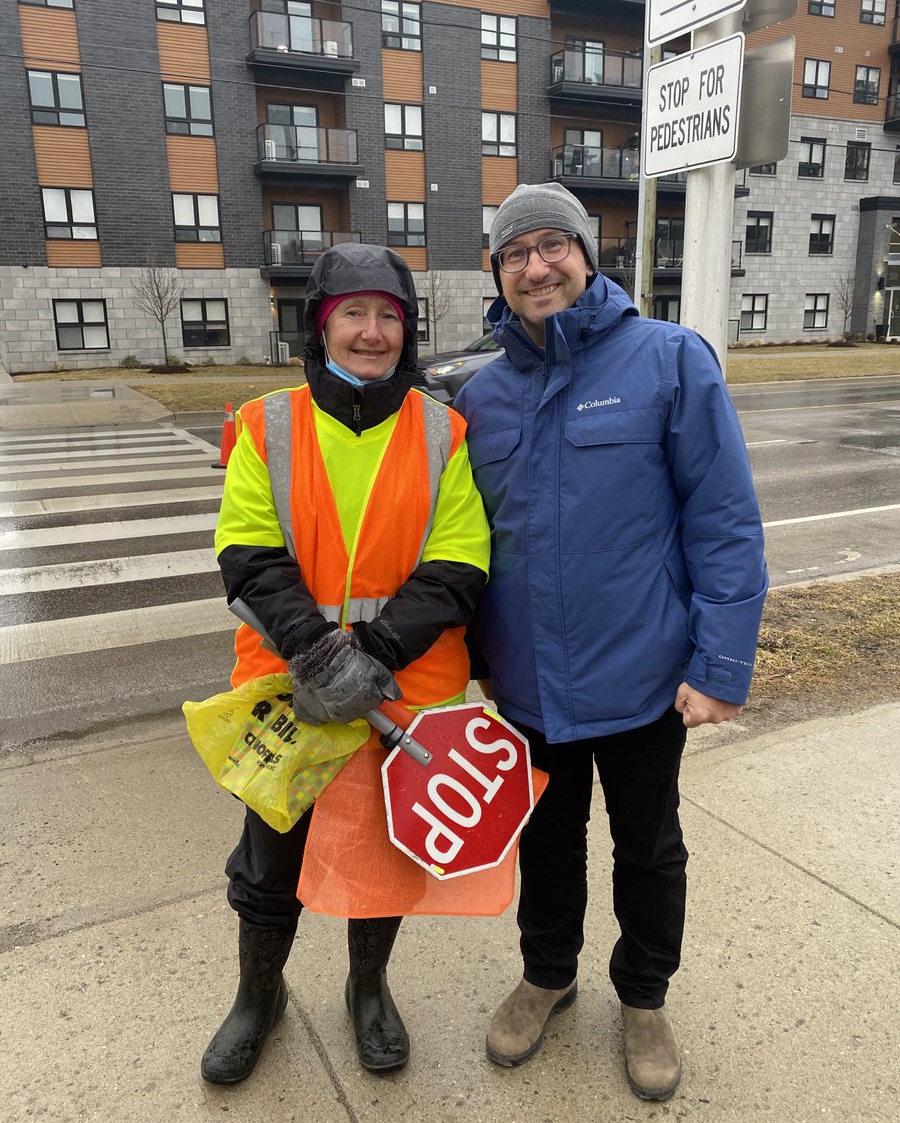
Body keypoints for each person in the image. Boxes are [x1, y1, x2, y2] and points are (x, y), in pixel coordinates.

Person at [454, 182, 767, 1102]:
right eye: (514, 253)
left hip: (643, 677)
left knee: (648, 846)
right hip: (527, 686)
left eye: (552, 245)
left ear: (588, 257)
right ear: (499, 276)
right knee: (546, 842)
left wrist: (718, 669)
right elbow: (464, 544)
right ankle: (548, 975)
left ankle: (643, 996)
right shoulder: (482, 397)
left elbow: (724, 523)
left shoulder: (669, 360)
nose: (535, 266)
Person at [204, 243, 490, 1084]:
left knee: (383, 855)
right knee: (270, 860)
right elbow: (248, 554)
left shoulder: (445, 430)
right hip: (287, 693)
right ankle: (258, 997)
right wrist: (320, 651)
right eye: (353, 315)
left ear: (408, 329)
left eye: (389, 316)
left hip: (400, 695)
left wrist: (373, 654)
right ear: (321, 326)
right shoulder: (267, 425)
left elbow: (460, 563)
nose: (372, 333)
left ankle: (369, 991)